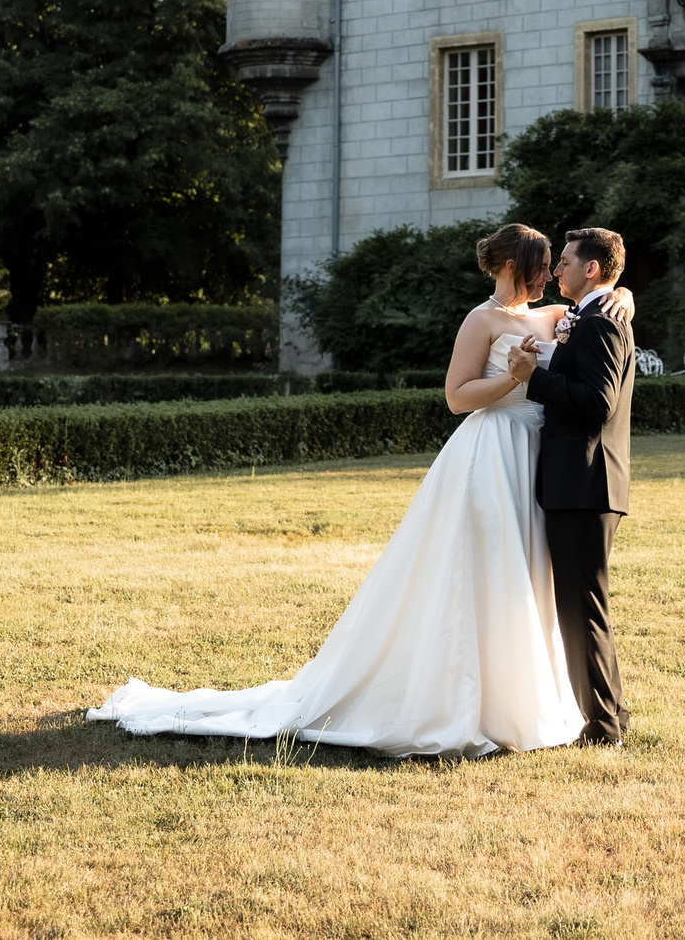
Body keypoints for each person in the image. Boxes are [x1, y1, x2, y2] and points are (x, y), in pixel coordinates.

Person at [86, 224, 636, 758]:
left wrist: (625, 295)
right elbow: (458, 397)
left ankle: (534, 695)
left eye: (556, 268)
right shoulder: (481, 319)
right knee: (481, 570)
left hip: (540, 461)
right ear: (515, 267)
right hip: (492, 452)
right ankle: (466, 701)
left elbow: (601, 318)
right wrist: (513, 380)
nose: (549, 278)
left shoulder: (558, 315)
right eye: (543, 268)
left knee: (531, 579)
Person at [510, 226, 636, 747]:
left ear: (592, 269)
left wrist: (531, 378)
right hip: (582, 484)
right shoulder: (595, 315)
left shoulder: (600, 323)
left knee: (581, 610)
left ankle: (603, 728)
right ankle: (611, 716)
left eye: (564, 261)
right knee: (585, 607)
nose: (556, 269)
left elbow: (598, 402)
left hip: (585, 483)